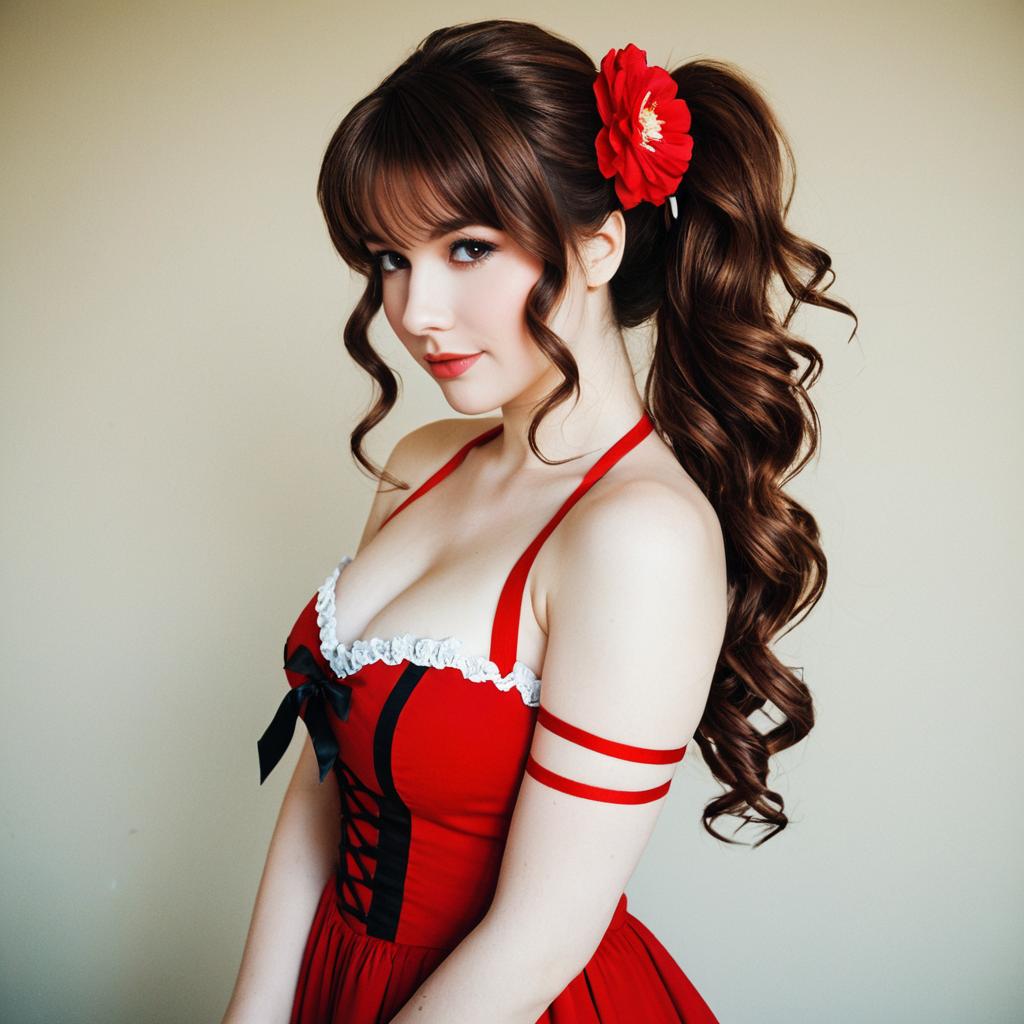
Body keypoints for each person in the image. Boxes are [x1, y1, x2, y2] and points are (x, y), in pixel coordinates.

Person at [223, 18, 857, 1024]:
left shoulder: (639, 535)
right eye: (389, 257)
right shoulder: (419, 462)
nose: (416, 310)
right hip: (338, 984)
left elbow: (541, 937)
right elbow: (325, 769)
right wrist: (252, 1010)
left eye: (468, 247)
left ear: (599, 244)